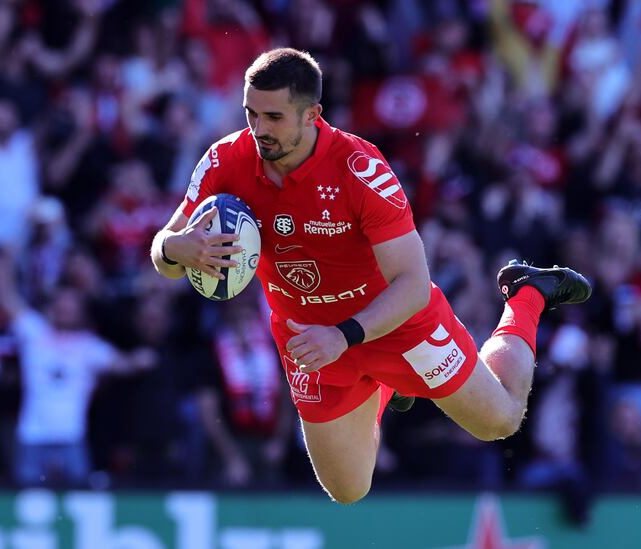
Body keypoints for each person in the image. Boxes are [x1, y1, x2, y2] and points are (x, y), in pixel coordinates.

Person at [150, 48, 591, 503]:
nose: (258, 129)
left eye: (273, 117)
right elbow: (163, 252)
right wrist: (174, 247)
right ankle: (386, 388)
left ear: (312, 115)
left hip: (394, 323)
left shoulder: (360, 169)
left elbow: (414, 286)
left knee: (500, 420)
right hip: (309, 339)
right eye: (250, 114)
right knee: (348, 489)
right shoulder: (226, 160)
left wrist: (344, 335)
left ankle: (527, 294)